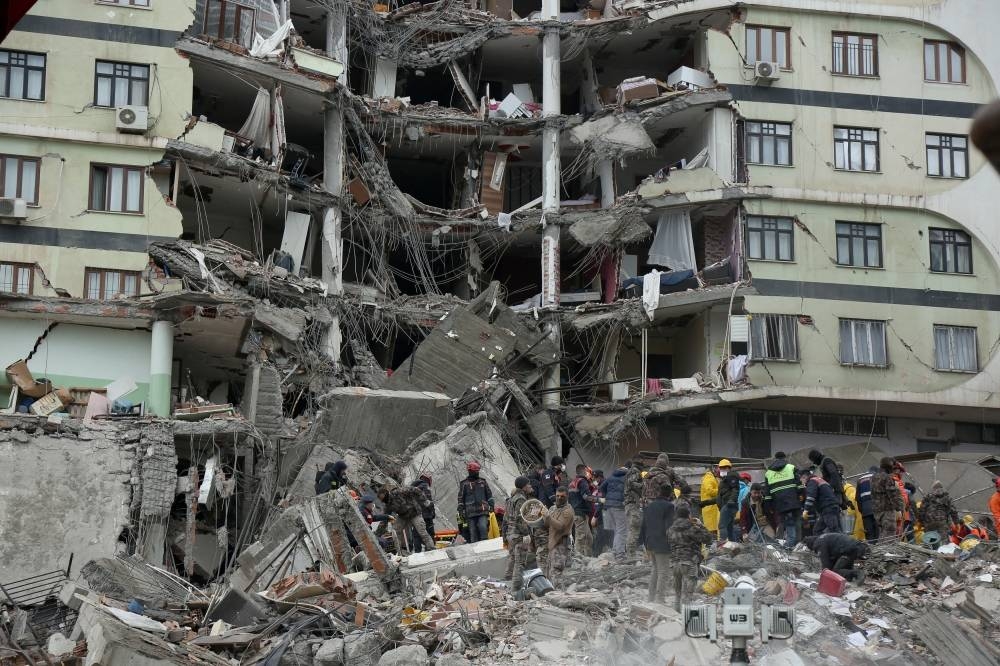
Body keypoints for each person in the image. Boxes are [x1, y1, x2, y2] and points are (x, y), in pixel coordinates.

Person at [667, 504, 714, 612]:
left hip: (674, 563)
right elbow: (708, 539)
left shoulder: (670, 529)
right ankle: (685, 618)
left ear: (677, 516)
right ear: (689, 515)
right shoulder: (692, 528)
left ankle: (676, 617)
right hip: (689, 562)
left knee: (677, 594)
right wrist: (701, 525)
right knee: (687, 595)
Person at [639, 483, 675, 604]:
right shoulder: (669, 506)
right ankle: (660, 599)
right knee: (663, 571)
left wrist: (645, 543)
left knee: (655, 570)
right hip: (662, 543)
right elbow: (669, 527)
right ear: (670, 494)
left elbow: (643, 525)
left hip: (650, 542)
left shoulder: (649, 506)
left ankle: (651, 597)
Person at [378, 484, 435, 555]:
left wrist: (425, 500)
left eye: (383, 498)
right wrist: (378, 533)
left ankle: (431, 548)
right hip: (403, 516)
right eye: (382, 500)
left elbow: (415, 489)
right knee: (395, 531)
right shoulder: (388, 505)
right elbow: (385, 518)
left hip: (415, 513)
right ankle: (400, 552)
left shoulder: (398, 492)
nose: (384, 501)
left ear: (386, 493)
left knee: (422, 531)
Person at [764, 452, 803, 548]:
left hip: (780, 504)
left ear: (775, 459)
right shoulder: (791, 467)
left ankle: (790, 544)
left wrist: (770, 507)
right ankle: (796, 545)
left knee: (788, 524)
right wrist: (801, 496)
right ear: (784, 458)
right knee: (797, 521)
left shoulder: (768, 473)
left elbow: (767, 494)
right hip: (794, 501)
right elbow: (800, 485)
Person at [803, 533, 870, 582]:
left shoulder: (818, 543)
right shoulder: (823, 537)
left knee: (836, 571)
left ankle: (858, 573)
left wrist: (824, 578)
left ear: (810, 545)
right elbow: (832, 558)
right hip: (855, 547)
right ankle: (849, 578)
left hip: (847, 550)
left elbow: (825, 563)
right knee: (842, 567)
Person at [505, 477, 533, 591]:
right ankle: (516, 589)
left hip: (510, 533)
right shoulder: (521, 499)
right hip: (518, 534)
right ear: (524, 486)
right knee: (520, 562)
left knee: (512, 558)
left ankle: (506, 581)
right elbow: (520, 518)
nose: (530, 486)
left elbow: (507, 518)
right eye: (528, 484)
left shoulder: (511, 499)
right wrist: (526, 534)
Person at [543, 486, 576, 582]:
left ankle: (558, 595)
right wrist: (543, 516)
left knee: (556, 574)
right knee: (549, 573)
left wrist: (548, 517)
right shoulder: (553, 508)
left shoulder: (568, 511)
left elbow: (560, 526)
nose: (559, 498)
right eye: (557, 496)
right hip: (552, 544)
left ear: (567, 497)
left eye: (562, 496)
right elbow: (546, 524)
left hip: (561, 545)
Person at [458, 461, 494, 543]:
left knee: (483, 527)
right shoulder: (464, 484)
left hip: (482, 510)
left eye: (478, 471)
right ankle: (476, 549)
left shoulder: (483, 482)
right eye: (476, 471)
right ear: (470, 471)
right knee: (473, 532)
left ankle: (485, 545)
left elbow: (489, 495)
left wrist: (491, 506)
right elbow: (460, 498)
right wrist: (461, 510)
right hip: (470, 512)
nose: (477, 472)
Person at [599, 465, 629, 561]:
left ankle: (615, 550)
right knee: (622, 530)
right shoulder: (626, 478)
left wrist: (608, 496)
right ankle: (620, 554)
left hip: (608, 506)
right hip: (619, 506)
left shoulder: (611, 477)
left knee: (617, 529)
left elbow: (601, 487)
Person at [568, 464, 598, 556]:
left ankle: (588, 558)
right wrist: (600, 500)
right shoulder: (582, 482)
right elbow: (586, 497)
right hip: (580, 512)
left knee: (588, 538)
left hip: (577, 512)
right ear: (585, 471)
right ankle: (578, 559)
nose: (590, 474)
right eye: (589, 472)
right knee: (581, 537)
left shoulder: (573, 482)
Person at [801, 468, 841, 535]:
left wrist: (806, 510)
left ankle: (841, 544)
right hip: (828, 508)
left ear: (804, 477)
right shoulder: (819, 480)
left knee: (834, 530)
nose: (801, 481)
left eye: (801, 479)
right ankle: (823, 544)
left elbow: (811, 497)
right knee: (817, 530)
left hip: (828, 508)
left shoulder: (812, 481)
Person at [872, 457, 903, 541]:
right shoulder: (887, 477)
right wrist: (899, 507)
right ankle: (887, 552)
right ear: (889, 466)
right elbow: (892, 494)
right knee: (889, 533)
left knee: (882, 533)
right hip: (887, 510)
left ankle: (880, 551)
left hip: (877, 510)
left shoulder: (874, 477)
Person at [624, 460, 646, 560]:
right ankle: (631, 555)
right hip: (632, 504)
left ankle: (630, 553)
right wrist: (643, 485)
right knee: (634, 529)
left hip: (630, 504)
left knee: (632, 529)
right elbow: (632, 483)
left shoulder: (630, 471)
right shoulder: (635, 471)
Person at [410, 473, 436, 552]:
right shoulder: (425, 486)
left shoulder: (413, 488)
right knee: (430, 533)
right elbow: (428, 501)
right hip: (426, 514)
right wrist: (432, 511)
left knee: (416, 534)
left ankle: (418, 552)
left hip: (416, 515)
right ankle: (431, 550)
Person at [716, 460, 741, 542]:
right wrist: (705, 503)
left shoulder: (731, 476)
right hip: (727, 505)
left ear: (728, 468)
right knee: (729, 528)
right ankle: (733, 546)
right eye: (720, 468)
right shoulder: (725, 480)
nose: (720, 470)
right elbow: (720, 496)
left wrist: (731, 500)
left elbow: (735, 489)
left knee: (722, 526)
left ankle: (722, 545)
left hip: (729, 505)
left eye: (722, 468)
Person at [839, 465, 866, 541]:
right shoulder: (853, 491)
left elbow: (850, 513)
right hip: (864, 518)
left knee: (856, 538)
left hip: (857, 523)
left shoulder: (850, 495)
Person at [855, 466, 878, 542]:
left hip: (865, 509)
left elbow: (858, 498)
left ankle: (871, 550)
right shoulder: (878, 477)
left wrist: (862, 511)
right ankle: (879, 550)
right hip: (877, 508)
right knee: (878, 532)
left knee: (869, 532)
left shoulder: (860, 480)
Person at [700, 463, 721, 536]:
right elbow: (710, 491)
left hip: (712, 510)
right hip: (710, 510)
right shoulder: (709, 478)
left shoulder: (713, 478)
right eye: (720, 469)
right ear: (714, 469)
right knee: (711, 533)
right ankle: (707, 547)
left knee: (714, 532)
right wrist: (721, 491)